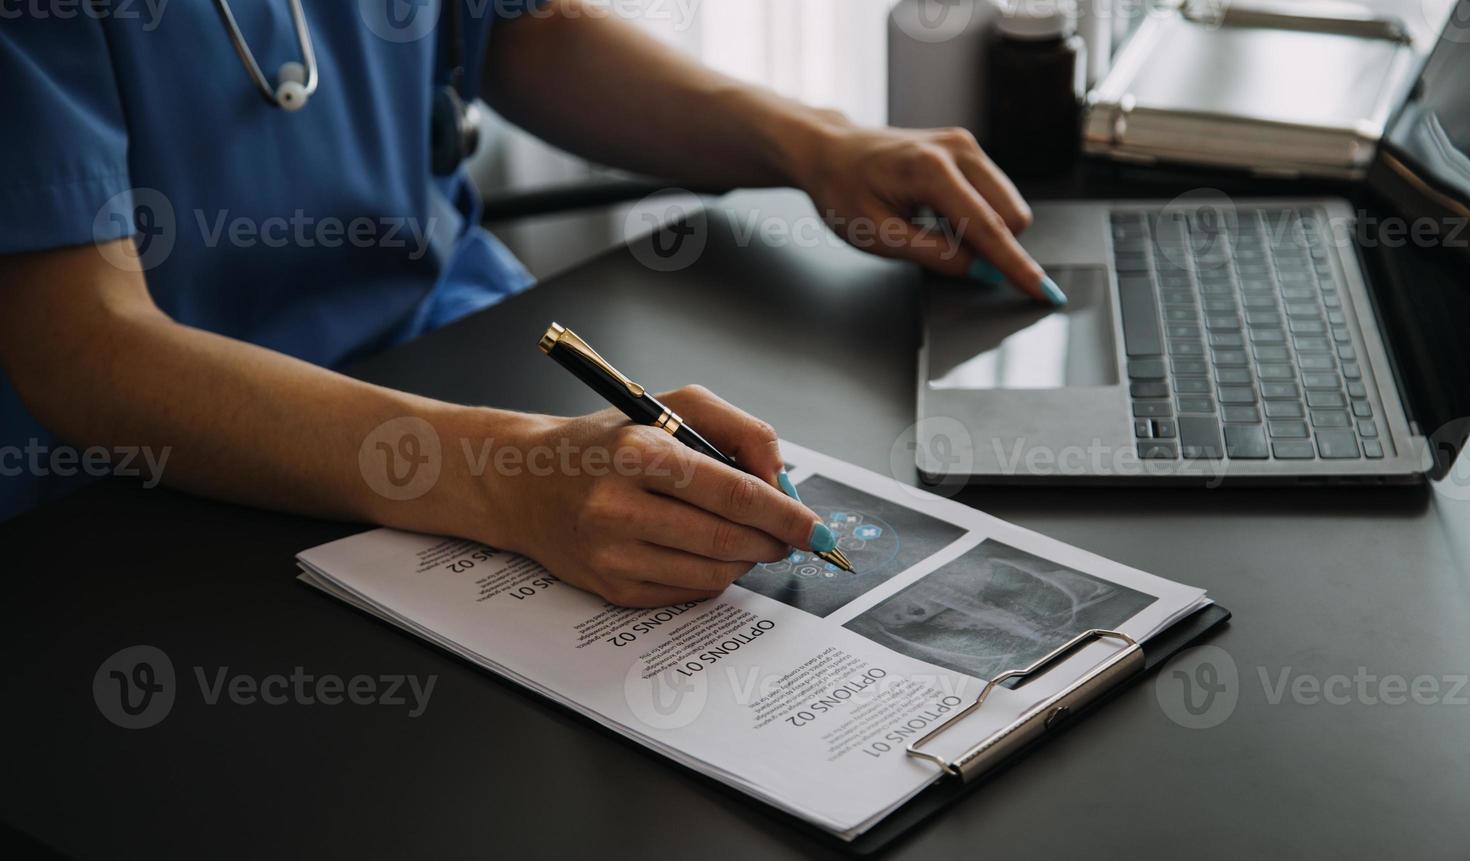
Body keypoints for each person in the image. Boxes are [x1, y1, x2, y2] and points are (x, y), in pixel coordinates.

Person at [0, 0, 1055, 607]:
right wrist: (510, 476)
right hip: (156, 493)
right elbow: (82, 345)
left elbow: (519, 30)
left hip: (467, 356)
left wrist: (812, 141)